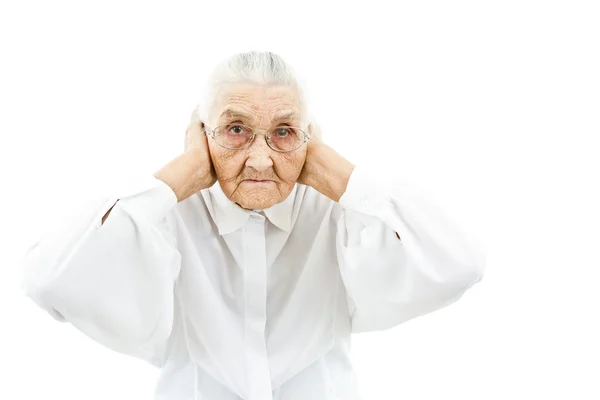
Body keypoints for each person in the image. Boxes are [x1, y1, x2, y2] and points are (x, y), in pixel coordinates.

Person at [20, 51, 485, 400]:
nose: (260, 160)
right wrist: (178, 176)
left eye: (284, 131)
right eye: (236, 129)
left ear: (310, 139)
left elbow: (460, 265)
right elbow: (47, 280)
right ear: (202, 135)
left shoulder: (339, 211)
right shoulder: (164, 215)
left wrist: (333, 170)